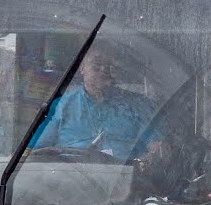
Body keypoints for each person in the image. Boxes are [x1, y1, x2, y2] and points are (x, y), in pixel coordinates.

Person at [32, 45, 163, 162]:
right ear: (82, 67)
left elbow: (158, 148)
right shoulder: (61, 105)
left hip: (124, 178)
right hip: (70, 178)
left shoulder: (138, 105)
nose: (103, 70)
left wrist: (152, 157)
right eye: (97, 64)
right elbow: (37, 151)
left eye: (110, 67)